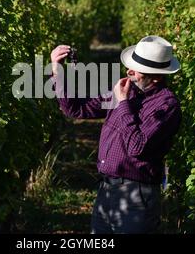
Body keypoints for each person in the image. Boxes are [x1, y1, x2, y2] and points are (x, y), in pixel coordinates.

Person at [50, 35, 182, 234]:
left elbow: (137, 147)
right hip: (106, 190)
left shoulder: (166, 105)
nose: (128, 71)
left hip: (136, 196)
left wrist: (122, 104)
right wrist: (57, 69)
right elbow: (77, 109)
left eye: (136, 70)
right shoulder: (127, 92)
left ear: (155, 76)